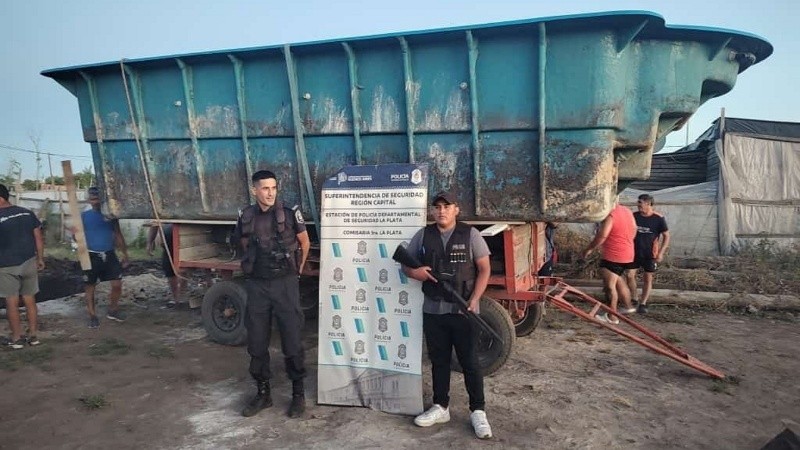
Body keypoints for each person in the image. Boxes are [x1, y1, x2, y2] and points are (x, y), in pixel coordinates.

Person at [401, 191, 493, 440]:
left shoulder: (470, 234)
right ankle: (441, 406)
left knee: (470, 362)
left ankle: (478, 411)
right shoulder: (423, 235)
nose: (441, 211)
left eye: (446, 206)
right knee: (439, 360)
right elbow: (405, 264)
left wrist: (475, 299)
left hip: (464, 311)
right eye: (437, 207)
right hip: (433, 310)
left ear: (456, 210)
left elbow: (484, 269)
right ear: (432, 211)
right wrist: (415, 273)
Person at [235, 170, 310, 419]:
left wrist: (296, 272)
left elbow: (304, 243)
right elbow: (241, 246)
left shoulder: (288, 214)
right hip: (257, 285)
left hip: (284, 284)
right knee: (257, 342)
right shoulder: (246, 216)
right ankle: (263, 393)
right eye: (265, 188)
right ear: (254, 190)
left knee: (292, 339)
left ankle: (298, 394)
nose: (270, 193)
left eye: (274, 188)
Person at [0, 183, 44, 348]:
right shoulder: (27, 213)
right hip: (29, 261)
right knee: (29, 299)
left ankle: (17, 338)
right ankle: (33, 336)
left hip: (6, 265)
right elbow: (38, 237)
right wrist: (40, 258)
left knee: (11, 302)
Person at [581, 200, 637, 324]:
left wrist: (589, 249)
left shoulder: (611, 215)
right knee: (619, 280)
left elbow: (603, 235)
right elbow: (634, 229)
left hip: (613, 255)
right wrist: (626, 242)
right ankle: (628, 307)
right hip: (627, 253)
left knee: (610, 286)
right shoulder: (627, 211)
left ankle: (612, 317)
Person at [80, 186, 129, 328]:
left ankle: (113, 310)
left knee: (117, 284)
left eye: (97, 198)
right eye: (92, 199)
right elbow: (76, 235)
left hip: (109, 254)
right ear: (89, 200)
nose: (95, 201)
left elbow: (118, 234)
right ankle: (92, 315)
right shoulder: (84, 216)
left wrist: (125, 254)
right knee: (90, 286)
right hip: (90, 255)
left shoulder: (110, 216)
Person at [626, 194, 670, 314]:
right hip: (633, 252)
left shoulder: (658, 218)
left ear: (648, 203)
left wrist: (661, 252)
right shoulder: (634, 216)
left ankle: (643, 303)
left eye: (640, 202)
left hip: (650, 254)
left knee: (647, 278)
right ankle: (634, 298)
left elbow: (666, 236)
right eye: (638, 202)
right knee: (629, 275)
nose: (638, 205)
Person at [146, 223, 188, 309]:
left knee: (182, 268)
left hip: (184, 238)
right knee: (169, 269)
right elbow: (155, 223)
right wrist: (149, 242)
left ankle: (181, 295)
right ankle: (176, 297)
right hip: (168, 244)